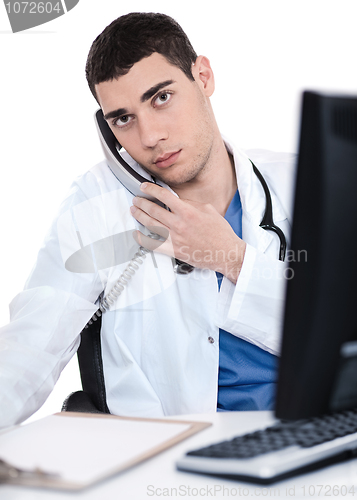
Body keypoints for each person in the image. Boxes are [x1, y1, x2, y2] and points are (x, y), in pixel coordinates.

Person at [0, 12, 296, 428]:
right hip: (168, 467)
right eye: (123, 118)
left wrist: (231, 258)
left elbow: (339, 337)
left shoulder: (303, 181)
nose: (149, 136)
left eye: (161, 98)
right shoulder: (97, 204)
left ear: (204, 77)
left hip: (308, 445)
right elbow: (31, 347)